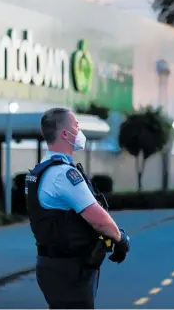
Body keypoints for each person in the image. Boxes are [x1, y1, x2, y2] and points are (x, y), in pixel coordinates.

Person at [25, 107, 130, 309]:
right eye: (76, 126)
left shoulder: (44, 169)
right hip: (69, 270)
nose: (80, 132)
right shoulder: (62, 174)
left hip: (56, 266)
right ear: (65, 133)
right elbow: (98, 219)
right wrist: (121, 239)